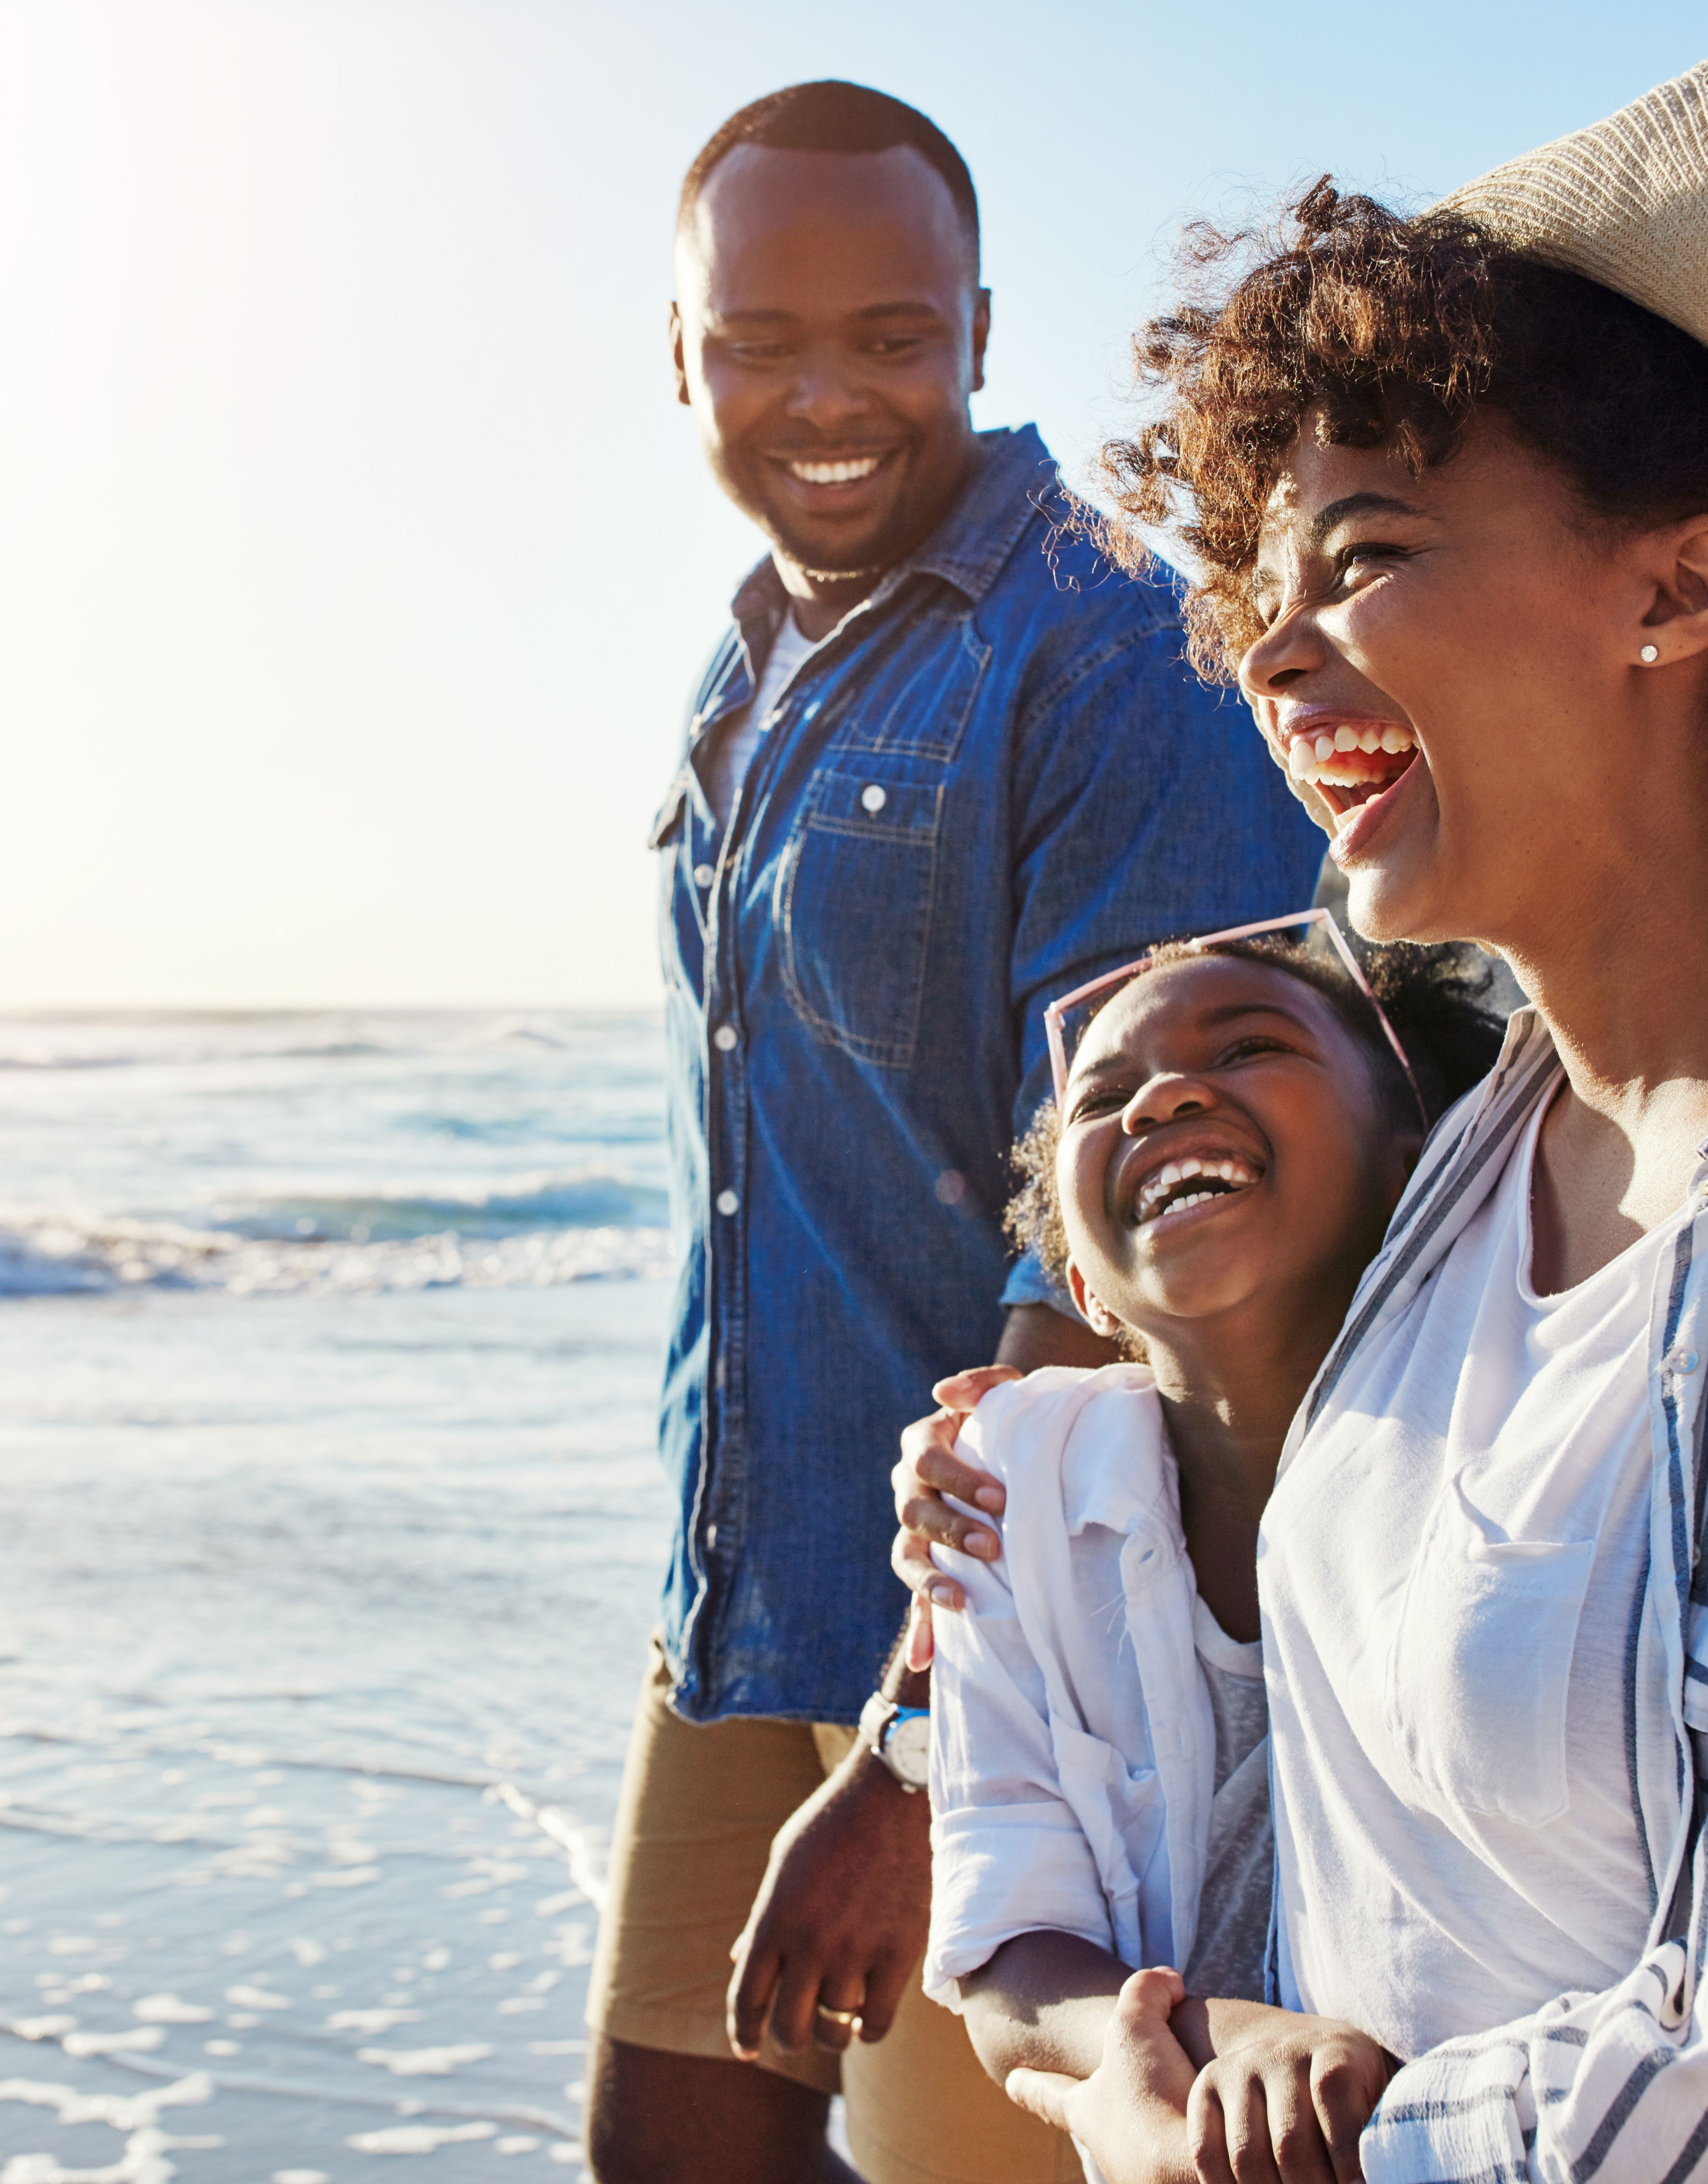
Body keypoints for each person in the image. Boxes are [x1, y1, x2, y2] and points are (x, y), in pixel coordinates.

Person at [886, 36, 1708, 2182]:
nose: (1273, 658)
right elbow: (1322, 1737)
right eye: (1261, 592)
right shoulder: (1470, 1168)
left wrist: (1278, 2150)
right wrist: (1031, 1450)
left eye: (1366, 552)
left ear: (1678, 589)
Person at [589, 78, 1321, 2184]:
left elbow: (1136, 1240)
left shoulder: (1103, 651)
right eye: (757, 343)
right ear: (682, 355)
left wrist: (921, 1744)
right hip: (740, 1608)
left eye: (890, 339)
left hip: (1007, 1655)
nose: (825, 397)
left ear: (980, 332)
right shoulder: (747, 671)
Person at [917, 923, 1502, 2180]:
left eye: (1248, 1045)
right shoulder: (1002, 1481)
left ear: (1419, 1159)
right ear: (1080, 1279)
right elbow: (1007, 1944)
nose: (1167, 1094)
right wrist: (1209, 2037)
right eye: (1102, 1097)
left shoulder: (1521, 1457)